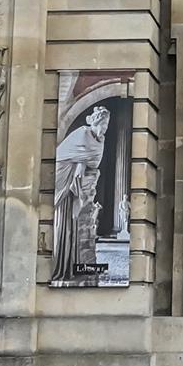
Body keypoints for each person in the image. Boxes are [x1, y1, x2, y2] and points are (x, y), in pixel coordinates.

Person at [52, 106, 110, 284]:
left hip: (76, 183)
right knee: (64, 221)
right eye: (103, 124)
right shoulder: (82, 135)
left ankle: (73, 264)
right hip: (64, 180)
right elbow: (69, 156)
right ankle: (61, 264)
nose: (105, 129)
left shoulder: (99, 140)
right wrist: (80, 164)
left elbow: (92, 161)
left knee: (74, 223)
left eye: (107, 125)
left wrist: (81, 164)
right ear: (96, 123)